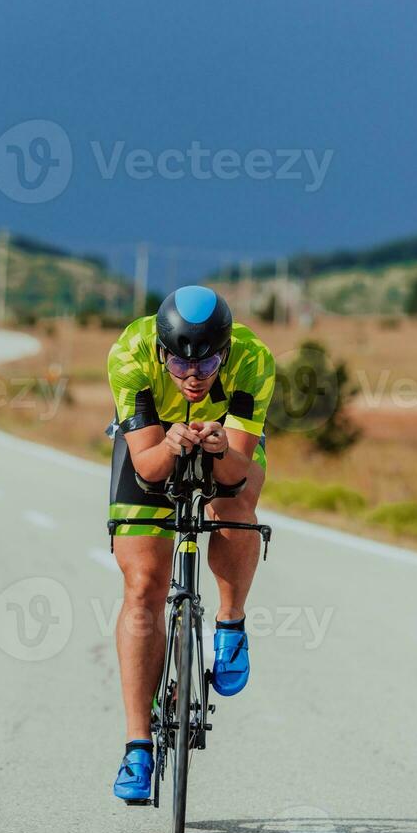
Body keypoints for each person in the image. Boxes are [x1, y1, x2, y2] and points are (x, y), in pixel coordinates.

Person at [106, 285, 275, 802]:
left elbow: (237, 472)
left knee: (235, 508)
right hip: (152, 443)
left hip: (227, 442)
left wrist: (220, 446)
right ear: (162, 351)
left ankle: (230, 622)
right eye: (180, 365)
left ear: (226, 350)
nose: (194, 377)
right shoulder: (131, 353)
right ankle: (138, 745)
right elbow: (147, 467)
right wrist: (171, 442)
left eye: (207, 365)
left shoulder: (252, 360)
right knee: (143, 586)